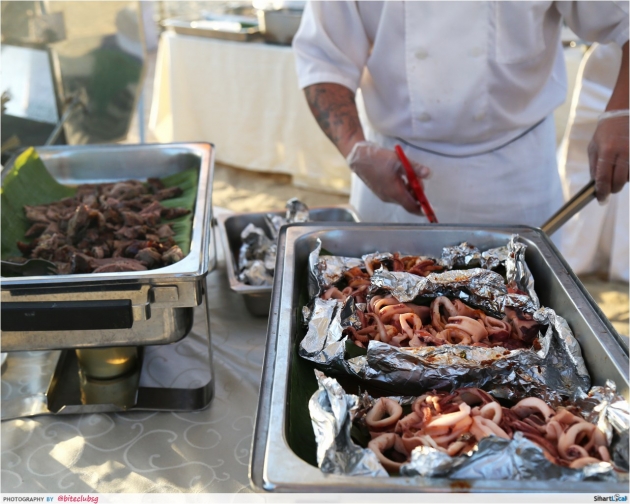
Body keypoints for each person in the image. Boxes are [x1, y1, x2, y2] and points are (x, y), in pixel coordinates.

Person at [293, 1, 628, 227]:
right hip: (392, 176)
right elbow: (324, 58)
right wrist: (355, 148)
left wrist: (622, 112)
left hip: (515, 177)